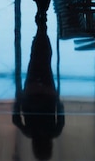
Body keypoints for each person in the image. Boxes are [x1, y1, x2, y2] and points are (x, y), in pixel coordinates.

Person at [13, 25, 64, 160]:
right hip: (32, 92)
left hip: (47, 94)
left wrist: (56, 99)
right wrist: (19, 101)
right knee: (36, 60)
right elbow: (16, 119)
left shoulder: (54, 131)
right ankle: (40, 34)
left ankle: (41, 34)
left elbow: (60, 114)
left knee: (43, 61)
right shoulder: (29, 132)